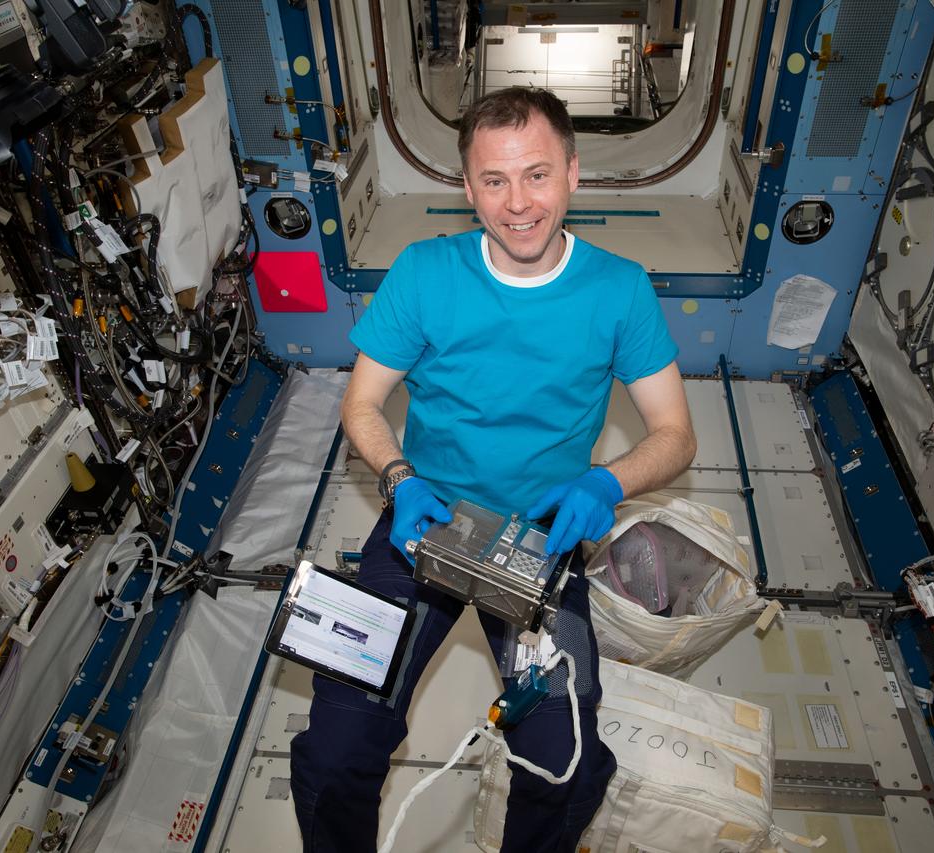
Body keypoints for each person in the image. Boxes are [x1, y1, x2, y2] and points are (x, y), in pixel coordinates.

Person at [290, 87, 696, 852]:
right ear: (466, 187)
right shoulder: (423, 273)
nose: (518, 204)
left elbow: (675, 434)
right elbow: (362, 405)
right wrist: (399, 478)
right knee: (336, 748)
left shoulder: (619, 290)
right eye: (495, 181)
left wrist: (604, 481)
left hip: (542, 538)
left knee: (563, 764)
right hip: (425, 520)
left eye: (537, 175)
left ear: (574, 174)